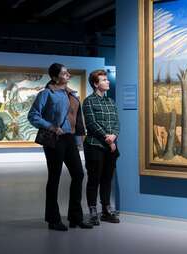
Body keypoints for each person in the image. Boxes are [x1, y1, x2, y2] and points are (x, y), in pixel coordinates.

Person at [28, 63, 93, 231]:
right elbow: (33, 115)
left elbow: (74, 118)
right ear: (55, 77)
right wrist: (50, 126)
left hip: (70, 139)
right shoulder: (46, 94)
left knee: (78, 174)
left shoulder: (71, 94)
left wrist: (78, 139)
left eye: (68, 72)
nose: (68, 75)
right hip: (55, 139)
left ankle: (75, 217)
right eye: (64, 73)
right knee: (54, 178)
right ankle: (53, 219)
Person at [83, 70, 120, 226]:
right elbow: (91, 124)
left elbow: (117, 122)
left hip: (110, 147)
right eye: (104, 80)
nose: (108, 82)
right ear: (95, 84)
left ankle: (106, 209)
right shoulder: (89, 101)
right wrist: (108, 138)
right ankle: (92, 210)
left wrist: (114, 135)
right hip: (94, 145)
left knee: (107, 179)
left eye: (107, 79)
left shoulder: (111, 101)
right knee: (94, 179)